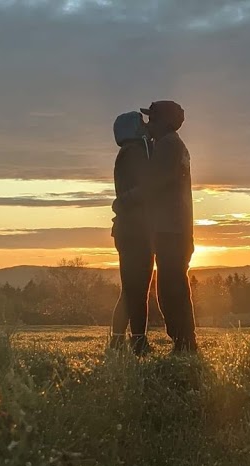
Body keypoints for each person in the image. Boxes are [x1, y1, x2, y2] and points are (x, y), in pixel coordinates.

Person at [117, 100, 197, 353]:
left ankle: (184, 343)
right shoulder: (169, 145)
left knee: (171, 290)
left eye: (152, 119)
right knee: (170, 288)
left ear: (164, 122)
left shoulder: (168, 146)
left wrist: (124, 201)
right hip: (173, 228)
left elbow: (153, 183)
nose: (148, 124)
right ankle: (183, 343)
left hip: (171, 230)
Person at [109, 111, 155, 356]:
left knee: (131, 289)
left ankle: (120, 341)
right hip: (136, 230)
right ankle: (137, 341)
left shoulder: (127, 153)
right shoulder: (136, 153)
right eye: (142, 123)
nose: (146, 126)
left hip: (128, 230)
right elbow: (146, 187)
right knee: (137, 289)